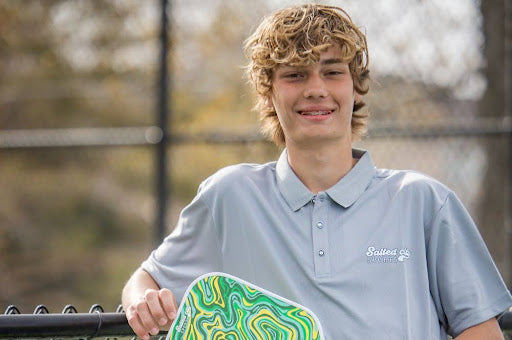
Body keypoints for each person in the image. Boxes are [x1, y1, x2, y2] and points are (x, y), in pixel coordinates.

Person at [122, 4, 512, 339]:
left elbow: (480, 329)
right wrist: (143, 302)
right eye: (294, 74)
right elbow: (146, 280)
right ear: (269, 93)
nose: (315, 89)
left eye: (332, 72)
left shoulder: (425, 201)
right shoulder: (230, 196)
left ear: (356, 87)